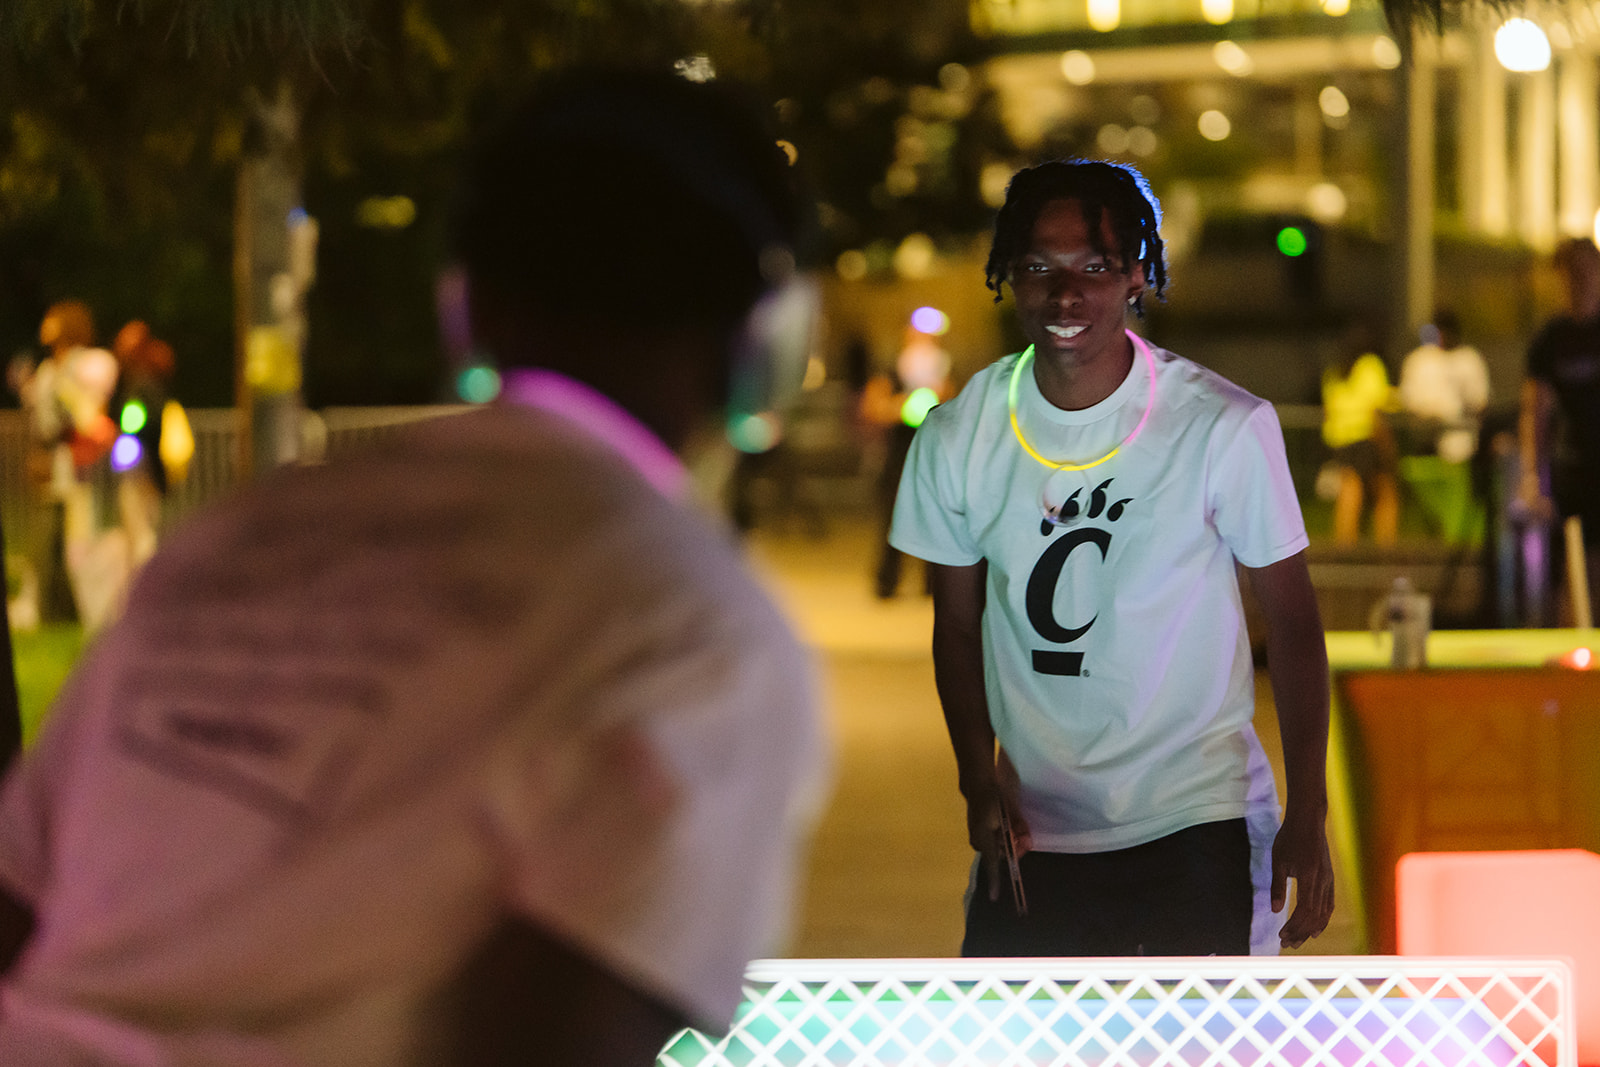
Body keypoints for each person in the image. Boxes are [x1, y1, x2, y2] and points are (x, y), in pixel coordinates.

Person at [0, 69, 827, 1067]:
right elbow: (559, 1040)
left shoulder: (244, 532)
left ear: (465, 306)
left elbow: (19, 889)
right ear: (763, 341)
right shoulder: (689, 622)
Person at [889, 159, 1333, 958]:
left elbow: (1295, 621)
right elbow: (955, 625)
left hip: (1195, 818)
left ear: (1136, 275)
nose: (1066, 294)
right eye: (1040, 268)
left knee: (1191, 1031)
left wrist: (1309, 811)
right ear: (1009, 275)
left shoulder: (1222, 424)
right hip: (1037, 832)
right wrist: (976, 779)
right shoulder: (958, 435)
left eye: (1094, 267)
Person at [1518, 236, 1600, 624]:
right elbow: (1534, 410)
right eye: (1571, 272)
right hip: (1569, 467)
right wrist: (1533, 475)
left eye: (1587, 271)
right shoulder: (1550, 339)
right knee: (1567, 569)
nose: (1579, 281)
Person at [860, 316, 955, 599]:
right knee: (893, 517)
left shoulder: (944, 368)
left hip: (934, 454)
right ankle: (887, 581)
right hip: (898, 455)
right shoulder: (891, 369)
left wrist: (940, 398)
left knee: (934, 519)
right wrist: (900, 407)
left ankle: (932, 584)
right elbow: (873, 406)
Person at [1320, 324, 1399, 546]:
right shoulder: (1370, 365)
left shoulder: (1334, 372)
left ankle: (1345, 545)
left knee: (1349, 491)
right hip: (1366, 435)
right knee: (1384, 491)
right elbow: (1376, 407)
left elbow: (1328, 410)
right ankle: (1386, 546)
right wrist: (1386, 441)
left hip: (1341, 439)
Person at [1398, 308, 1490, 465]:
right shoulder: (1419, 361)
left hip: (1460, 441)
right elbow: (1408, 400)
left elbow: (1480, 402)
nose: (1442, 336)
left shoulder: (1468, 360)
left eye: (1446, 330)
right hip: (1423, 440)